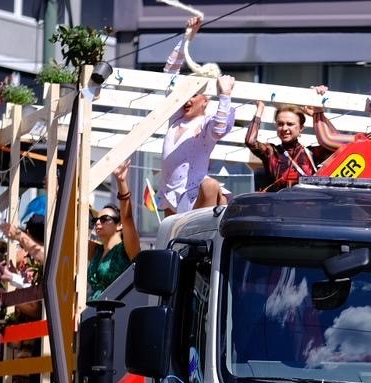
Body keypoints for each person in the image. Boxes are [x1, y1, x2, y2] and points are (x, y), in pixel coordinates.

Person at [160, 16, 236, 215]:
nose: (187, 99)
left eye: (193, 94)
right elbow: (170, 73)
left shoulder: (206, 123)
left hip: (193, 197)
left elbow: (219, 129)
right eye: (185, 93)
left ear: (206, 99)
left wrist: (225, 95)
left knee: (210, 185)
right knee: (171, 243)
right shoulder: (175, 115)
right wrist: (187, 37)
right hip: (169, 196)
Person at [245, 102, 327, 191]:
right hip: (277, 203)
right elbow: (250, 141)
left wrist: (317, 116)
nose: (284, 128)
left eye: (290, 124)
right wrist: (260, 108)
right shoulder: (272, 152)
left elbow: (337, 143)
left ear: (301, 128)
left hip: (306, 203)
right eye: (280, 124)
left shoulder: (312, 153)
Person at [90, 164, 142, 298]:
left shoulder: (127, 250)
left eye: (104, 219)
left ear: (119, 225)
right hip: (93, 312)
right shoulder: (97, 250)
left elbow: (128, 218)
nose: (97, 222)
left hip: (117, 314)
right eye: (95, 220)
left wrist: (121, 182)